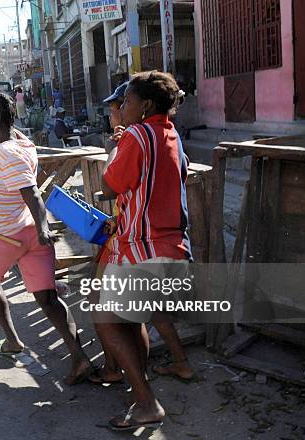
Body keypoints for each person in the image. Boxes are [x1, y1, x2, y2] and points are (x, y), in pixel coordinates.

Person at [0, 92, 93, 385]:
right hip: (30, 235)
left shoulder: (7, 153)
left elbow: (32, 193)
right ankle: (79, 358)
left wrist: (43, 225)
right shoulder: (11, 141)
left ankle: (12, 341)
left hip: (4, 236)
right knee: (47, 298)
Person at [97, 71, 192, 431]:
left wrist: (116, 150)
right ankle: (142, 392)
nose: (123, 108)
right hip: (172, 248)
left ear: (146, 105)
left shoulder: (136, 134)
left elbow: (109, 185)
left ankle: (146, 401)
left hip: (141, 249)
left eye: (128, 102)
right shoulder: (170, 134)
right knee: (134, 320)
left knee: (107, 322)